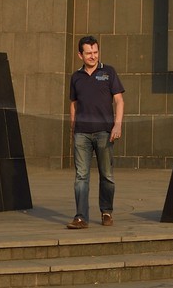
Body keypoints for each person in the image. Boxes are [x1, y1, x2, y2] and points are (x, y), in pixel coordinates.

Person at [67, 35, 124, 229]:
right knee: (81, 176)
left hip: (104, 133)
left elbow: (119, 100)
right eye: (89, 53)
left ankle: (106, 211)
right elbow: (73, 103)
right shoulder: (76, 77)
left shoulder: (108, 72)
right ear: (80, 55)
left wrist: (118, 124)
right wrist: (73, 127)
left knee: (106, 175)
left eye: (96, 52)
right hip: (82, 134)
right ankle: (81, 217)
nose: (93, 56)